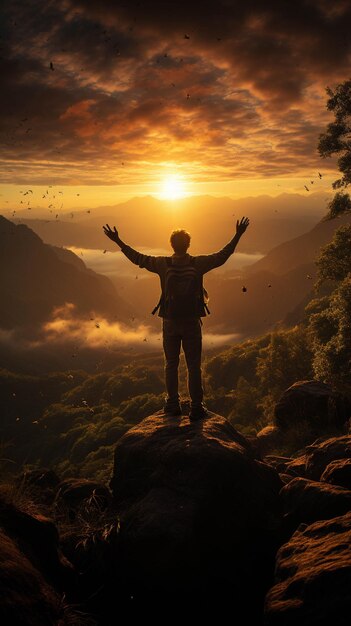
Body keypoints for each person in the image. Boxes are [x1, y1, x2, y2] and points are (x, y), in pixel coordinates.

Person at [103, 216, 250, 421]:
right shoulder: (198, 264)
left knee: (171, 364)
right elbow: (222, 256)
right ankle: (197, 407)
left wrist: (117, 241)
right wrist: (238, 234)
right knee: (193, 366)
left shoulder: (163, 264)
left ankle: (172, 404)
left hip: (170, 321)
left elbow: (138, 258)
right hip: (191, 321)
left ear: (171, 245)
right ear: (188, 244)